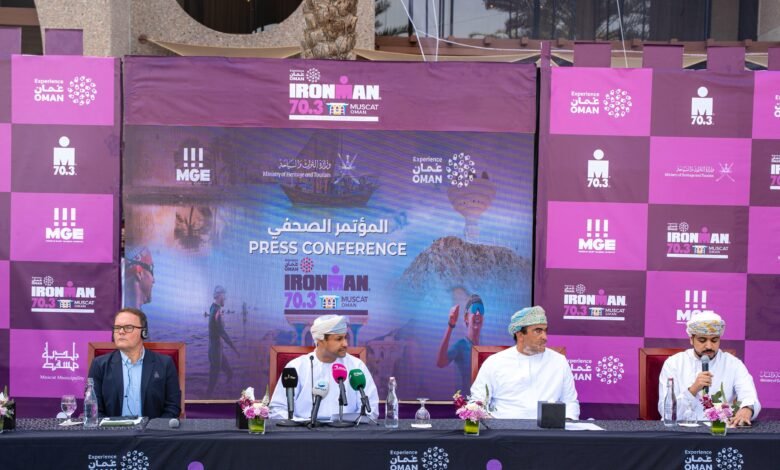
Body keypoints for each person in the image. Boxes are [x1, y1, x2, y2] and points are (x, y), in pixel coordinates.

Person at [470, 306, 579, 420]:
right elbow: (477, 401)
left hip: (548, 429)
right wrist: (489, 423)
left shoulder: (559, 362)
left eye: (545, 331)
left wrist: (568, 422)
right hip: (503, 428)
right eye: (538, 331)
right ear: (520, 335)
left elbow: (570, 402)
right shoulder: (494, 362)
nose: (545, 337)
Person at [658, 312, 760, 426]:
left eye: (714, 340)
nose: (709, 346)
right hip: (680, 430)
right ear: (691, 339)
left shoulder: (733, 364)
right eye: (702, 340)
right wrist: (693, 389)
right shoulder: (673, 364)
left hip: (719, 430)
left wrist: (746, 410)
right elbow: (666, 412)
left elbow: (749, 396)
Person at [270, 314, 379, 420]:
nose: (345, 344)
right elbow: (277, 409)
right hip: (304, 430)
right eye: (339, 339)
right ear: (320, 340)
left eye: (345, 338)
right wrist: (301, 424)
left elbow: (371, 410)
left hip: (347, 430)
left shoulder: (356, 366)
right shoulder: (296, 367)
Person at [88, 308, 181, 419]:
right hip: (111, 429)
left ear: (144, 332)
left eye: (128, 327)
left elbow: (173, 407)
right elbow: (93, 409)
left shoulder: (165, 364)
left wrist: (154, 427)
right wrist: (110, 428)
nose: (121, 332)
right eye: (117, 327)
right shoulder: (99, 365)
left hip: (152, 429)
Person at [437, 292, 484, 393]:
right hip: (463, 401)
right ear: (466, 318)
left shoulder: (485, 348)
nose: (478, 313)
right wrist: (450, 325)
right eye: (474, 309)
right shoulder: (461, 345)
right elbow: (440, 362)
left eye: (481, 310)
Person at [207, 285, 239, 396]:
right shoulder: (216, 311)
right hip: (216, 351)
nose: (225, 298)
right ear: (219, 295)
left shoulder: (213, 308)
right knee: (212, 384)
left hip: (215, 349)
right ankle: (208, 401)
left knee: (230, 373)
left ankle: (227, 393)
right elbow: (223, 333)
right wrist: (234, 348)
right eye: (224, 295)